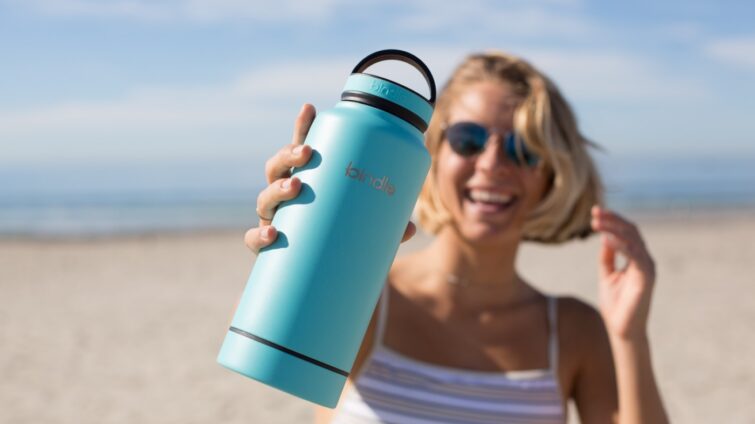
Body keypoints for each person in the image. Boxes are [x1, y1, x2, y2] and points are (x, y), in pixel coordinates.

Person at [245, 51, 669, 423]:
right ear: (432, 154)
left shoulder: (573, 331)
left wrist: (630, 336)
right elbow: (272, 344)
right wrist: (302, 221)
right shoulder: (365, 301)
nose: (492, 164)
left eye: (524, 149)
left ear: (551, 174)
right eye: (469, 140)